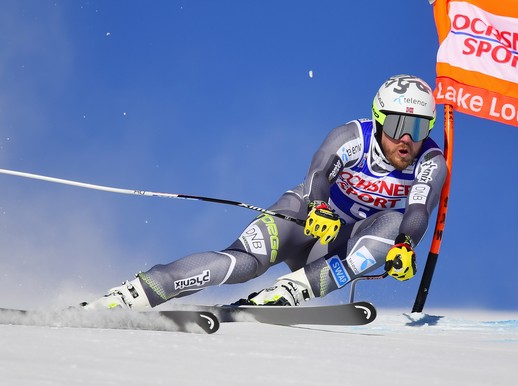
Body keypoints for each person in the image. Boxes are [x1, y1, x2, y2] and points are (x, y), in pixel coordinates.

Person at [81, 74, 447, 310]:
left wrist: (406, 244)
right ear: (379, 119)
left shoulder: (431, 160)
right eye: (399, 124)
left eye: (418, 128)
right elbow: (320, 172)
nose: (406, 138)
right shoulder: (353, 137)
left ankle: (290, 291)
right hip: (303, 216)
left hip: (341, 246)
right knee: (244, 262)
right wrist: (319, 207)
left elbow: (418, 211)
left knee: (393, 227)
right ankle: (135, 293)